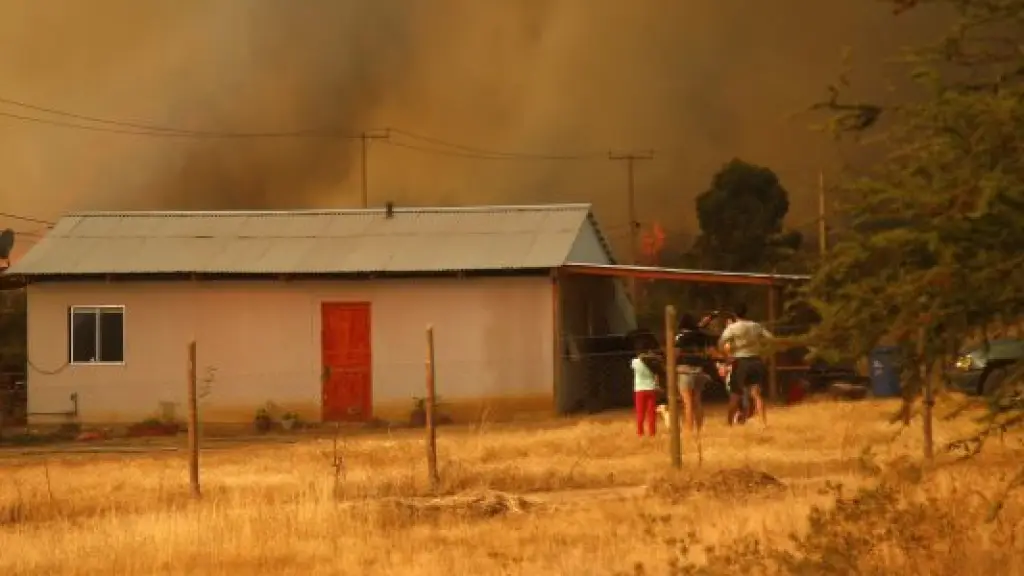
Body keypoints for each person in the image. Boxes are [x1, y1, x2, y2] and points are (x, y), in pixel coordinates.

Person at [718, 303, 773, 428]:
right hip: (756, 360)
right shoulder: (756, 326)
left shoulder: (732, 328)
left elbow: (721, 342)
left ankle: (729, 423)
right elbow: (770, 338)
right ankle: (763, 422)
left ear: (734, 314)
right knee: (756, 394)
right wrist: (764, 353)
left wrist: (729, 353)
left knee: (735, 394)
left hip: (741, 361)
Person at [673, 312, 716, 434]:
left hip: (684, 370)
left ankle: (689, 429)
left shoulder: (680, 336)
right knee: (697, 400)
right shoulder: (700, 335)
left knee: (687, 402)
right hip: (699, 370)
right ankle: (699, 428)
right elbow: (710, 350)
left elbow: (675, 353)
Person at [630, 343, 661, 437]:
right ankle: (652, 432)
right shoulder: (653, 362)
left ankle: (640, 432)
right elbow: (657, 372)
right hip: (651, 388)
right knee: (651, 412)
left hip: (639, 389)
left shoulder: (635, 362)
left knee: (640, 412)